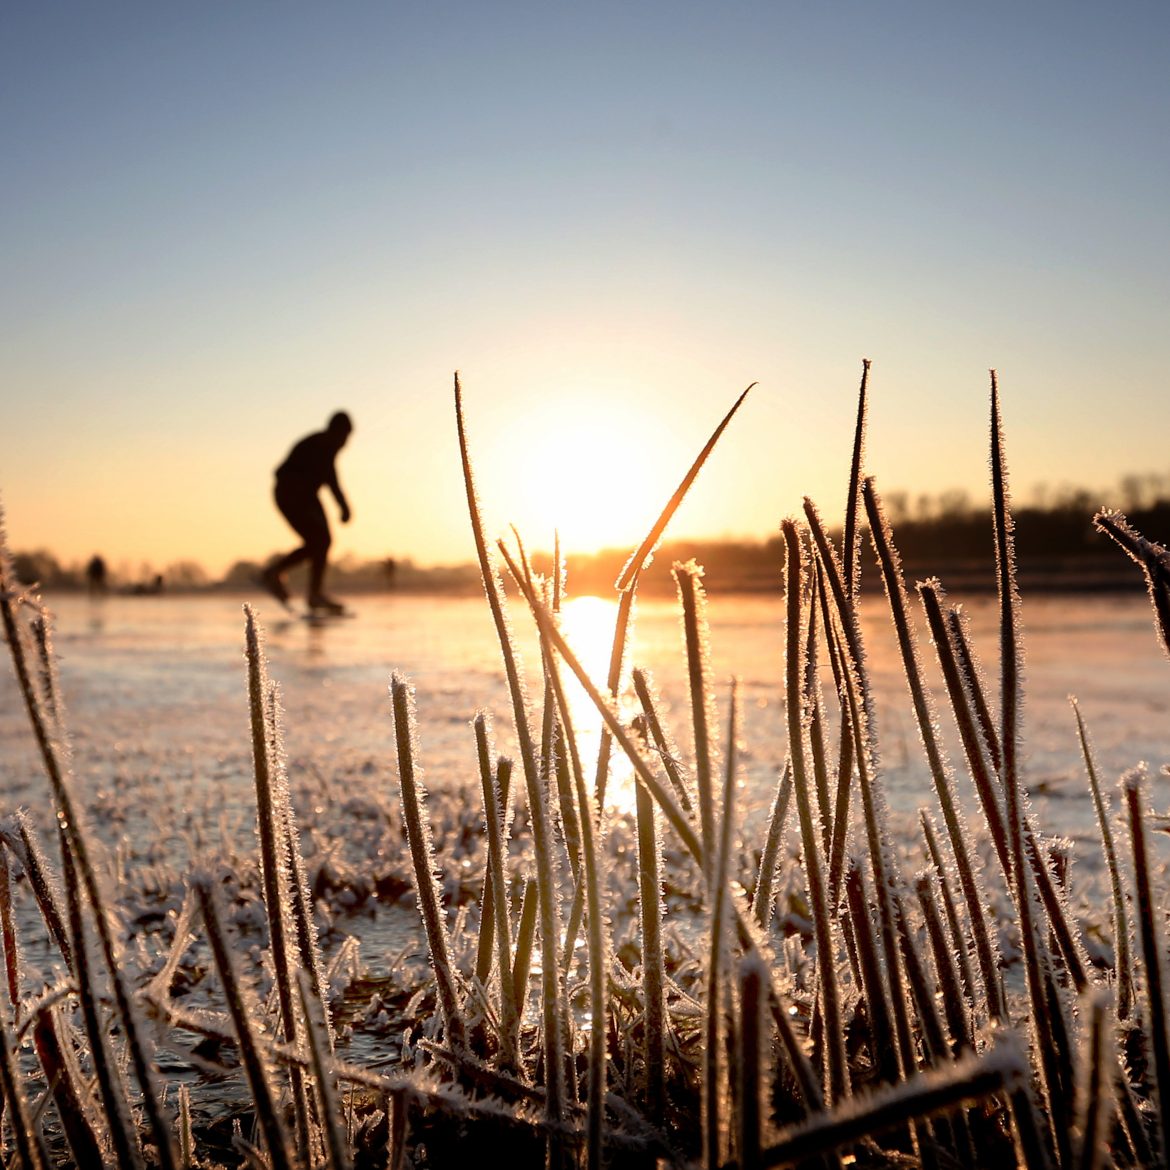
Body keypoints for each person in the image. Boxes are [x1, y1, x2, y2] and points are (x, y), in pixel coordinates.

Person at [261, 411, 353, 613]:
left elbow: (330, 478)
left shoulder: (324, 446)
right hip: (291, 492)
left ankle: (309, 591)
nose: (345, 443)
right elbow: (331, 479)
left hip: (303, 495)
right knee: (320, 540)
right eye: (345, 437)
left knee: (321, 541)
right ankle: (301, 587)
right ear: (336, 432)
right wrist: (343, 506)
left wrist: (343, 506)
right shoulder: (321, 445)